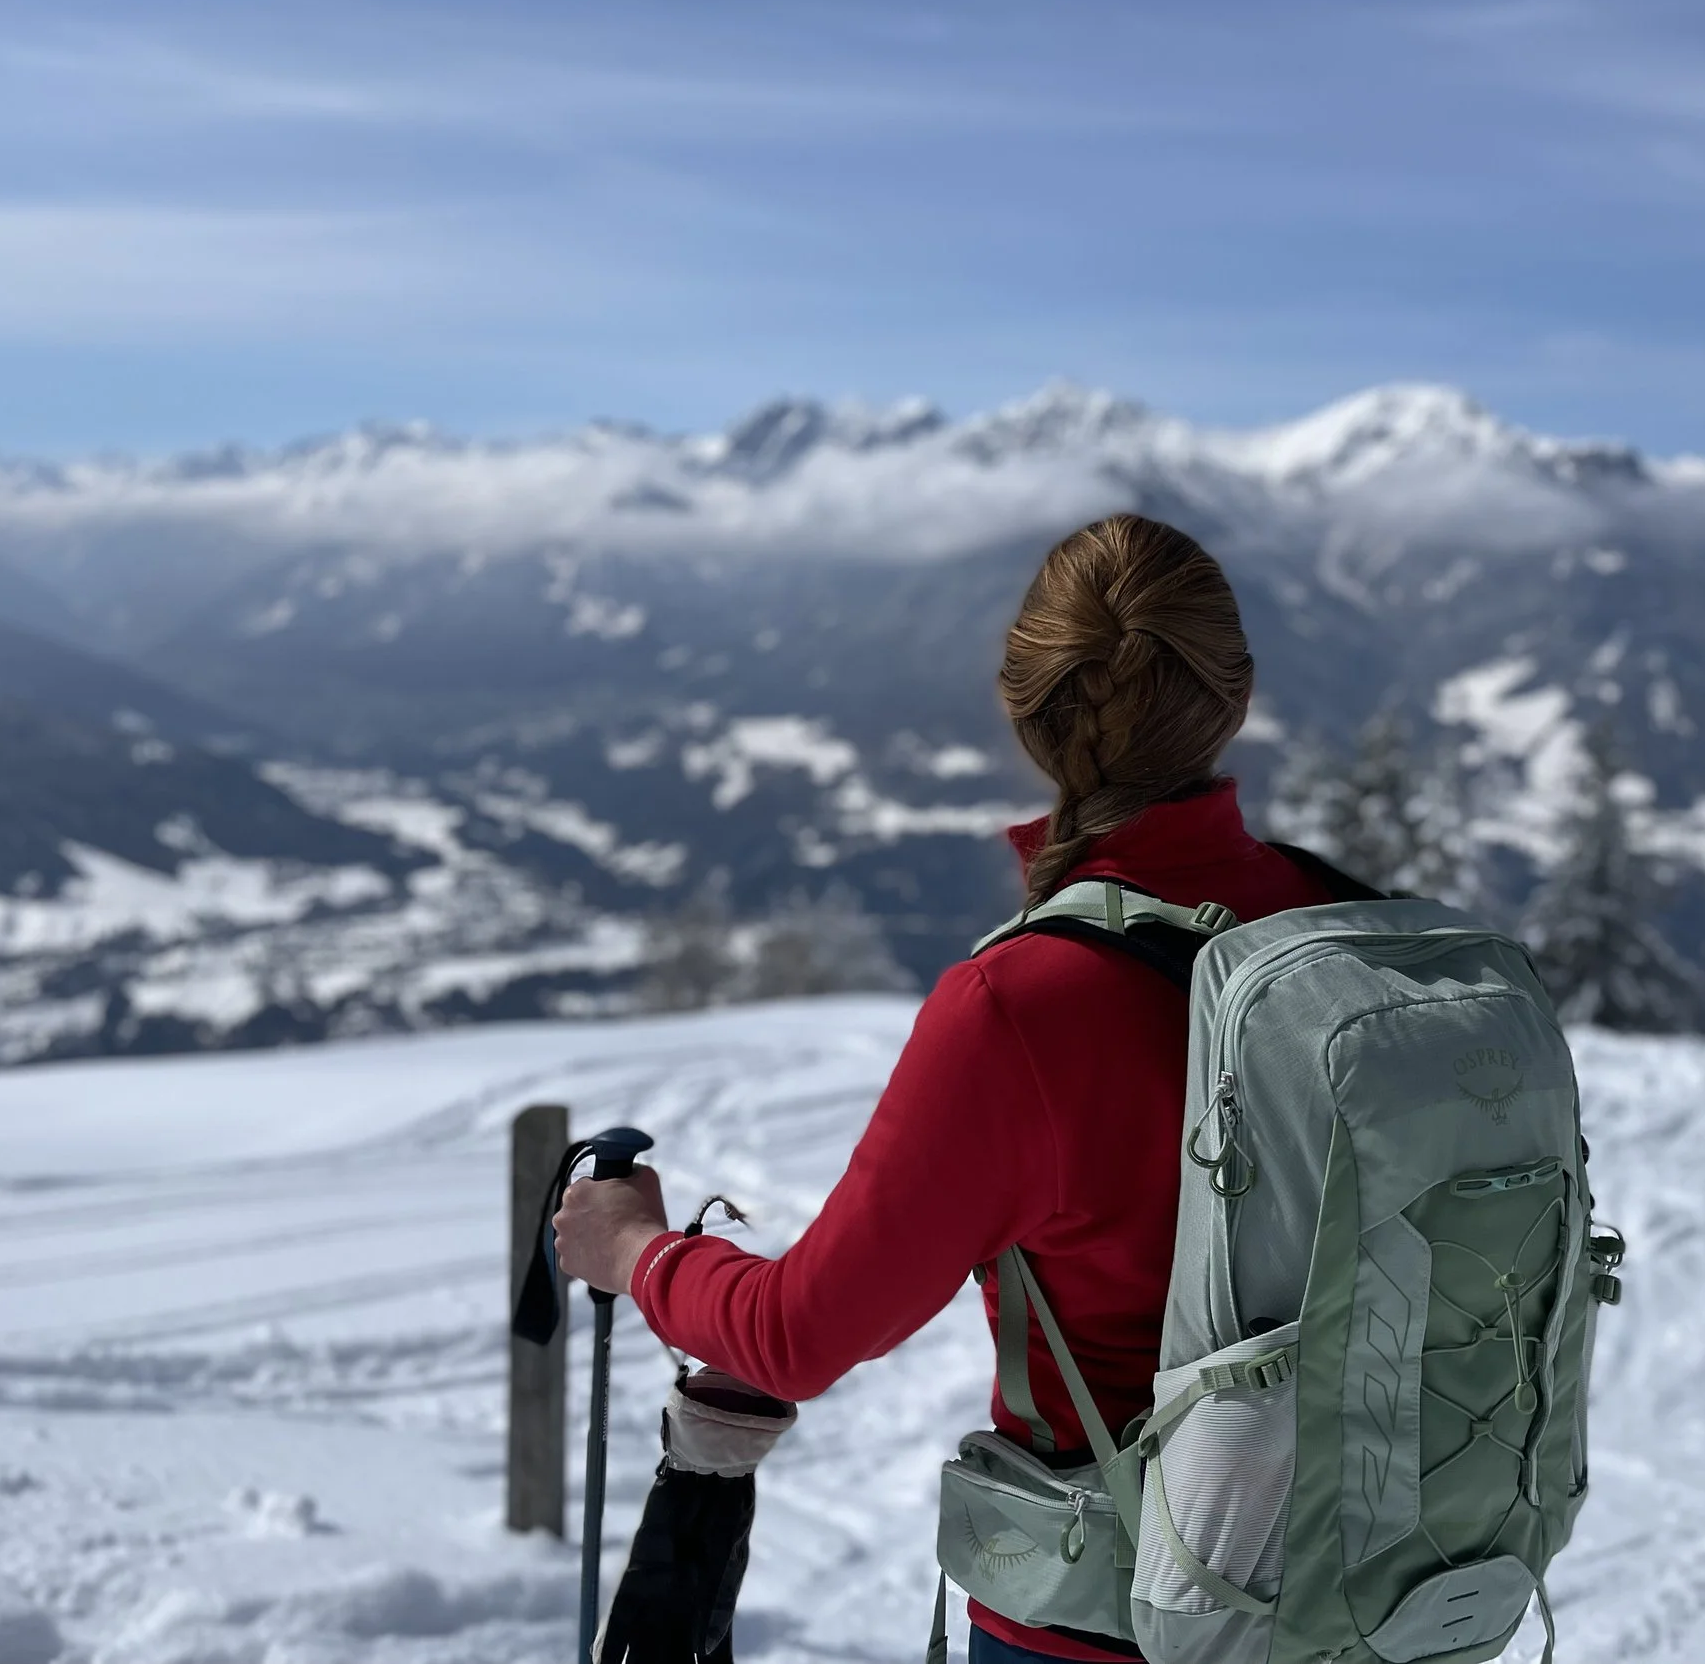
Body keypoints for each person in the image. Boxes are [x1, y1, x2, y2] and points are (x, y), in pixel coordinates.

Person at [555, 513, 1339, 1664]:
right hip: (1380, 1591)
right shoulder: (1344, 930)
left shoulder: (1025, 1003)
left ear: (1021, 705)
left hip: (1122, 1624)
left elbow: (799, 1333)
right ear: (1238, 695)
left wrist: (633, 1252)